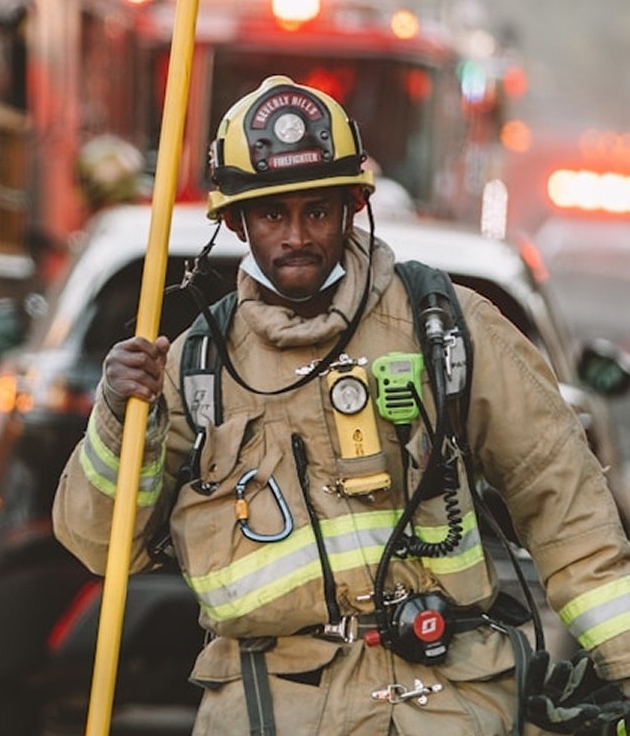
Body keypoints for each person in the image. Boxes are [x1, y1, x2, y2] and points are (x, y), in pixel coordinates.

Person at [52, 75, 630, 735]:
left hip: (447, 703)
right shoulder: (194, 366)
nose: (296, 235)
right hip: (272, 711)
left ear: (352, 207)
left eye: (316, 210)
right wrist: (120, 421)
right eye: (272, 213)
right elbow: (101, 547)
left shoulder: (446, 329)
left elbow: (567, 512)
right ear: (236, 221)